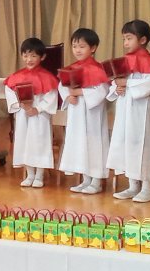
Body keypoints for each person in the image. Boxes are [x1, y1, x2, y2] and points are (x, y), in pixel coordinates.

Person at [107, 19, 150, 203]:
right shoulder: (125, 60)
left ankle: (147, 188)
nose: (125, 43)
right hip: (125, 109)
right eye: (124, 39)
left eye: (129, 38)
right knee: (126, 144)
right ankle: (133, 186)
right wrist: (117, 87)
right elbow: (115, 82)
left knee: (142, 146)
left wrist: (127, 83)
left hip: (141, 112)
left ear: (142, 40)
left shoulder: (147, 60)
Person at [57, 28, 110, 194]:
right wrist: (68, 96)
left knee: (94, 144)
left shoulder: (98, 69)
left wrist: (80, 92)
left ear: (93, 48)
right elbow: (62, 86)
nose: (77, 50)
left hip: (92, 114)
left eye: (82, 46)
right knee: (80, 144)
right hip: (76, 113)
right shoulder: (71, 68)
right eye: (74, 46)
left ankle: (96, 181)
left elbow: (102, 90)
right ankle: (85, 179)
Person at [4, 37, 59, 188]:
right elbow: (9, 91)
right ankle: (30, 174)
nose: (29, 59)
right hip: (23, 114)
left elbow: (51, 96)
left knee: (39, 142)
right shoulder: (17, 76)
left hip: (39, 116)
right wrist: (21, 105)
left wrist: (37, 109)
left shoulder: (47, 77)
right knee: (24, 141)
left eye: (34, 56)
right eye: (26, 55)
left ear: (42, 57)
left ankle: (39, 175)